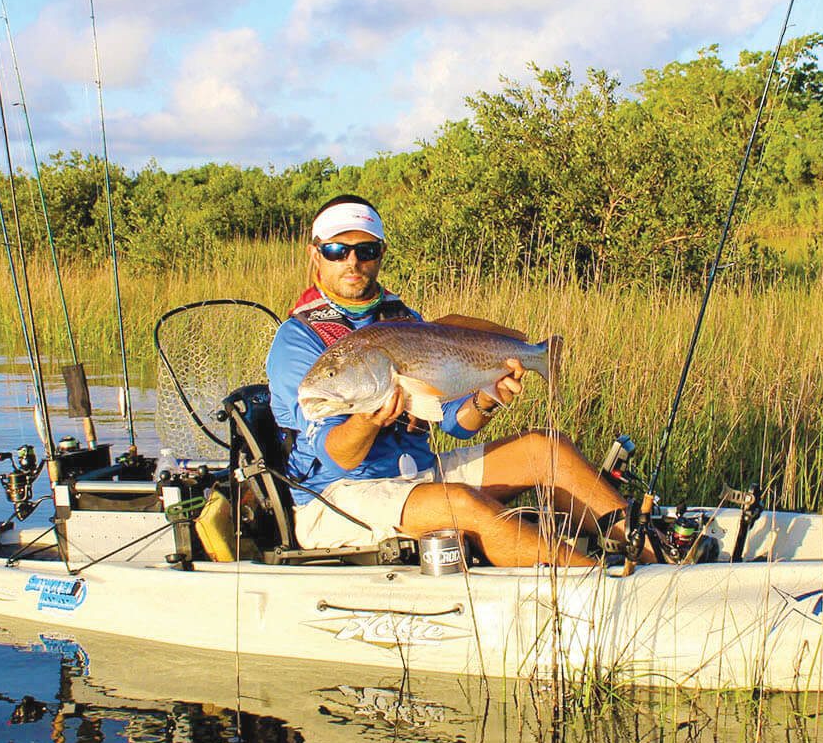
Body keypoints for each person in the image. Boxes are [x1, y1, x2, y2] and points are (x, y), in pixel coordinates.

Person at [264, 194, 627, 567]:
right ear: (315, 254)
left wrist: (486, 400)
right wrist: (367, 421)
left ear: (381, 253)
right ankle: (601, 588)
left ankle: (651, 556)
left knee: (546, 450)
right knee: (462, 503)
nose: (352, 262)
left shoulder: (402, 319)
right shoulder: (298, 340)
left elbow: (454, 422)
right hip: (338, 496)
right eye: (337, 250)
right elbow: (334, 457)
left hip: (420, 474)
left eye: (366, 250)